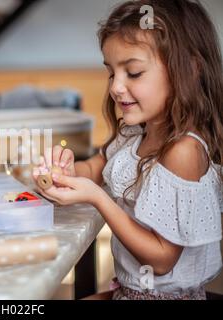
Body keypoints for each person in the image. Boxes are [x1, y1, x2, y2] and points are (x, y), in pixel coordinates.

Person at [33, 0, 223, 300]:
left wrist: (97, 198)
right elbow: (97, 166)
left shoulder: (183, 151)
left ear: (189, 69)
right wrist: (67, 170)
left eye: (133, 72)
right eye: (111, 73)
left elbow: (161, 261)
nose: (116, 87)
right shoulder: (136, 131)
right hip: (127, 291)